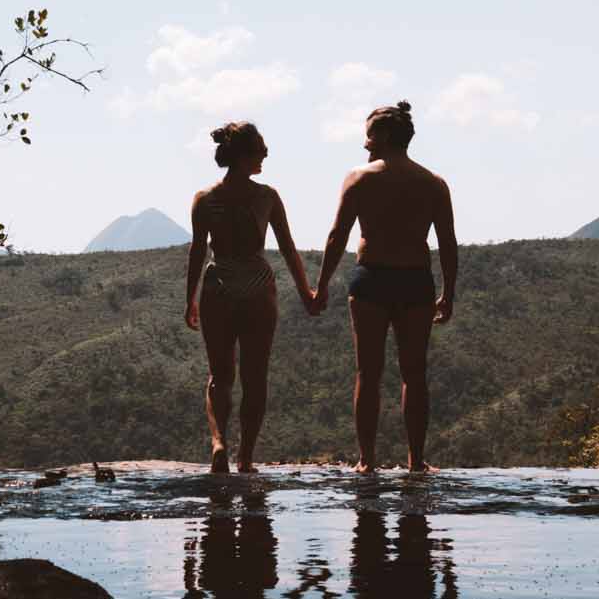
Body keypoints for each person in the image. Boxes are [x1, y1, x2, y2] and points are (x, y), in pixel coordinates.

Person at [311, 100, 457, 474]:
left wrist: (322, 285)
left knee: (368, 373)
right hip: (414, 280)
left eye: (370, 134)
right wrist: (448, 292)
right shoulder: (433, 183)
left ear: (386, 135)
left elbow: (337, 236)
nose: (365, 143)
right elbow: (448, 243)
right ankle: (416, 461)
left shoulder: (360, 178)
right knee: (414, 372)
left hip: (372, 278)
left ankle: (367, 461)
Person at [185, 120, 315, 475]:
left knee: (220, 374)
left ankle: (219, 444)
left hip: (219, 287)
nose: (266, 154)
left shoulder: (205, 199)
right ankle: (245, 459)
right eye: (260, 149)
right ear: (243, 156)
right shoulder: (266, 197)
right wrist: (306, 291)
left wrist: (190, 299)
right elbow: (287, 249)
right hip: (257, 286)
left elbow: (198, 252)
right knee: (255, 376)